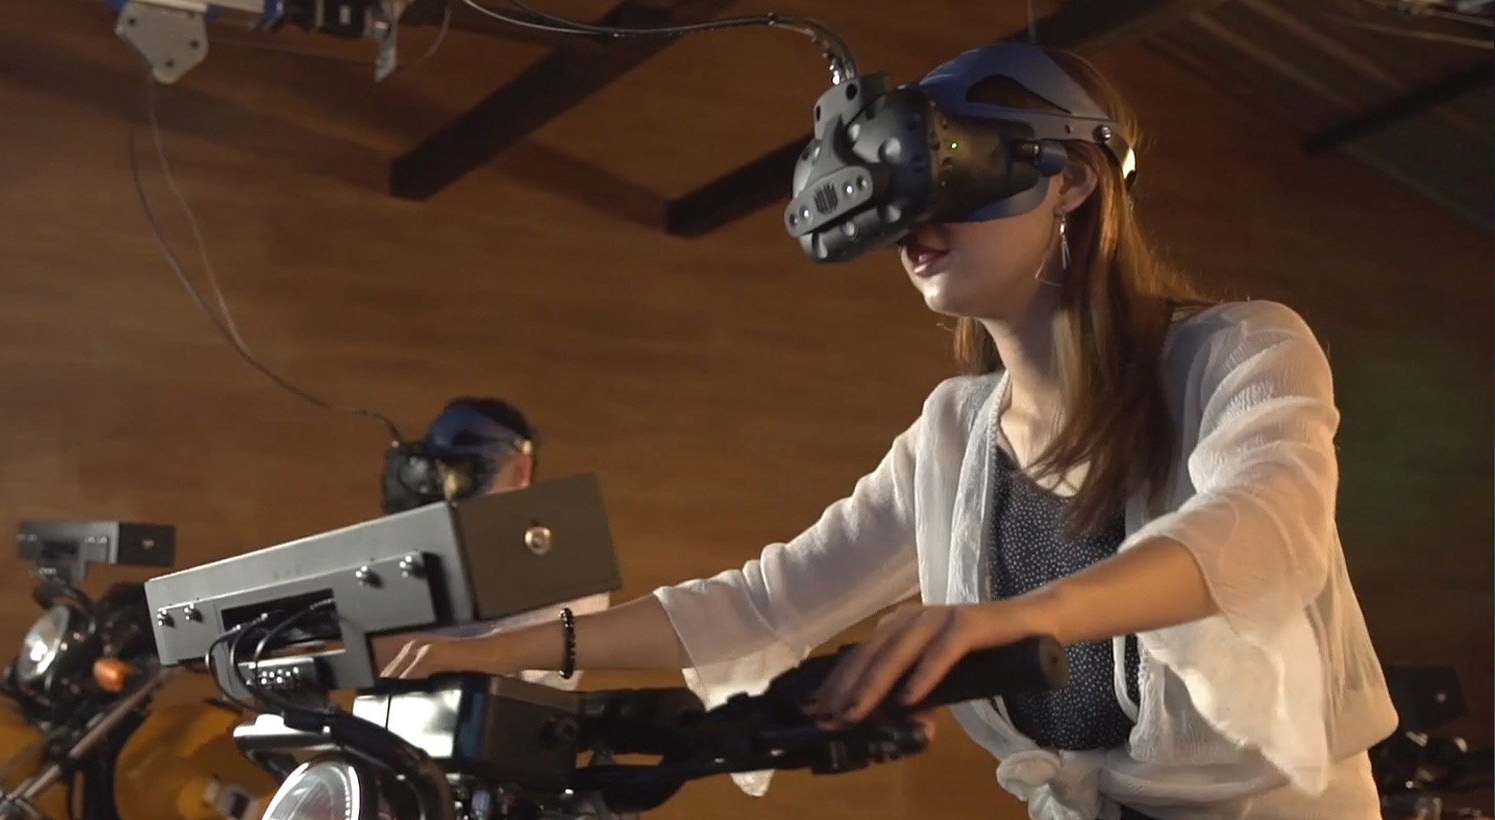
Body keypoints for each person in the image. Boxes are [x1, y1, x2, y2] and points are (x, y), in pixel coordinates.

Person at [377, 43, 1397, 820]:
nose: (914, 223)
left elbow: (1264, 525)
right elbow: (758, 603)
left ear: (1074, 179)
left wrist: (1018, 617)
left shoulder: (1240, 349)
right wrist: (499, 646)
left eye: (949, 173)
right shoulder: (957, 432)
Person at [380, 396, 610, 691]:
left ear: (519, 469)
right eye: (437, 473)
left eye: (462, 472)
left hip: (498, 728)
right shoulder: (418, 563)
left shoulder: (564, 559)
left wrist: (359, 649)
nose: (448, 488)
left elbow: (492, 665)